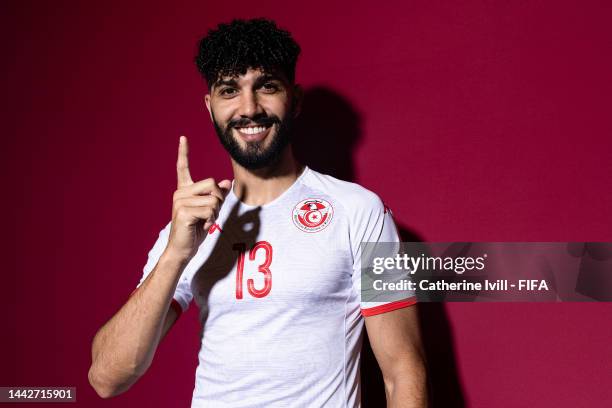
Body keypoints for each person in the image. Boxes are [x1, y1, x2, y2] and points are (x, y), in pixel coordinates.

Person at [88, 18, 427, 407]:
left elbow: (404, 373)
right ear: (210, 106)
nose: (248, 108)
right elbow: (106, 377)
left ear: (294, 99)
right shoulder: (188, 227)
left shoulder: (358, 211)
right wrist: (176, 254)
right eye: (229, 90)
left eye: (266, 86)